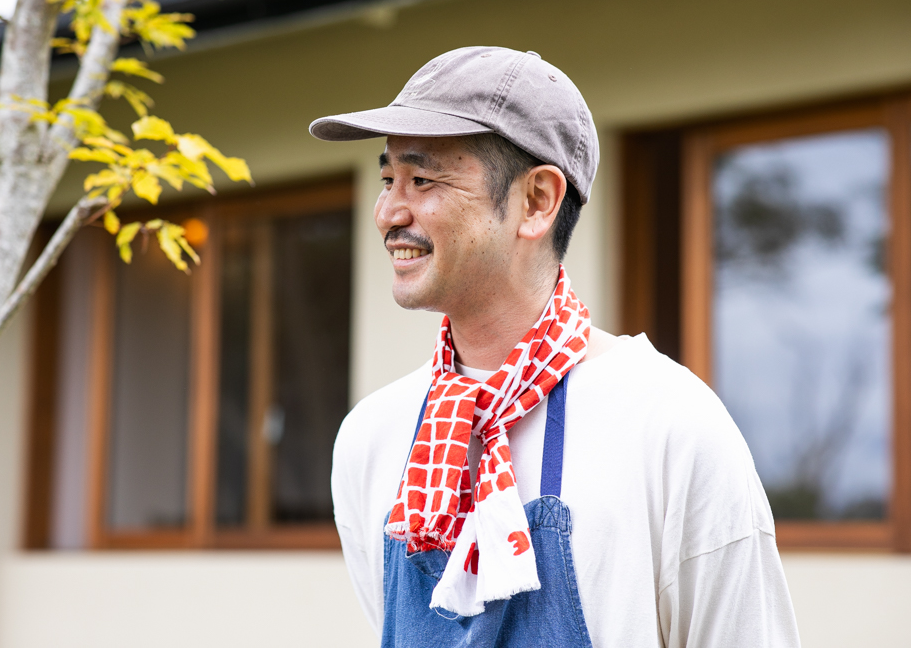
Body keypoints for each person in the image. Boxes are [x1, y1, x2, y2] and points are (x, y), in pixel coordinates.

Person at [310, 46, 800, 648]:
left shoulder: (670, 426)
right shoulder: (371, 439)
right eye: (388, 179)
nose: (388, 211)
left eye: (423, 178)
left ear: (537, 201)